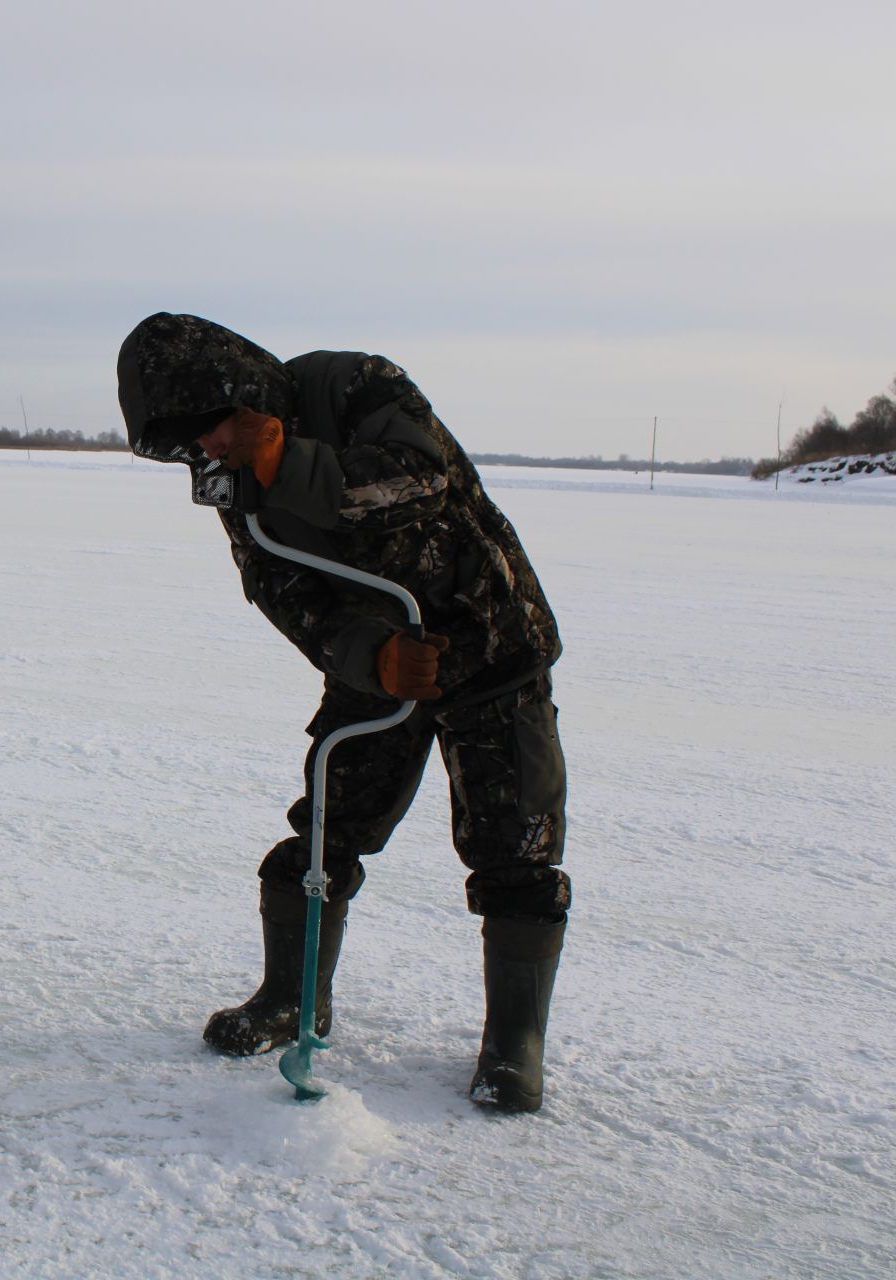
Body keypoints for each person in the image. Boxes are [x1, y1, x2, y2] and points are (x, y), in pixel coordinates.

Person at [116, 313, 572, 1112]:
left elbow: (414, 480)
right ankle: (294, 996)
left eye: (210, 432)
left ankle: (514, 1043)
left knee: (515, 847)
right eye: (189, 447)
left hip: (490, 641)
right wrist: (375, 658)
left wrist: (289, 463)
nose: (208, 454)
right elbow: (285, 593)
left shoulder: (355, 384)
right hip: (385, 665)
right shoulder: (232, 484)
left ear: (241, 391)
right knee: (327, 826)